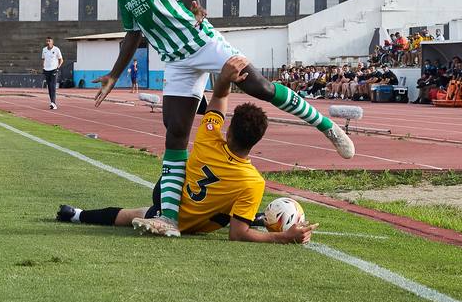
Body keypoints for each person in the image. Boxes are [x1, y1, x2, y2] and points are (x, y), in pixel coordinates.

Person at [92, 0, 353, 238]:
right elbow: (133, 35)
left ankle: (328, 127)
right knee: (175, 134)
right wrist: (113, 75)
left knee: (261, 87)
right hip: (176, 62)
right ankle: (169, 218)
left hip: (203, 44)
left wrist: (193, 4)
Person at [58, 56, 316, 244]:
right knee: (134, 215)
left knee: (129, 215)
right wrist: (283, 237)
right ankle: (77, 215)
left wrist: (225, 77)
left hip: (166, 195)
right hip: (190, 224)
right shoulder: (253, 183)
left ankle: (75, 215)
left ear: (229, 130)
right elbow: (238, 234)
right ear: (257, 141)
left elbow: (219, 100)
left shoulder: (209, 137)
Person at [41, 36, 63, 110]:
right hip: (46, 70)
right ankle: (52, 102)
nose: (48, 42)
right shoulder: (44, 50)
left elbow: (61, 60)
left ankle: (53, 103)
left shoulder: (56, 49)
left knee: (53, 86)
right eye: (47, 41)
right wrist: (43, 67)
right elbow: (43, 59)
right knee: (49, 87)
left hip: (54, 70)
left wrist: (58, 68)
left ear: (52, 42)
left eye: (49, 41)